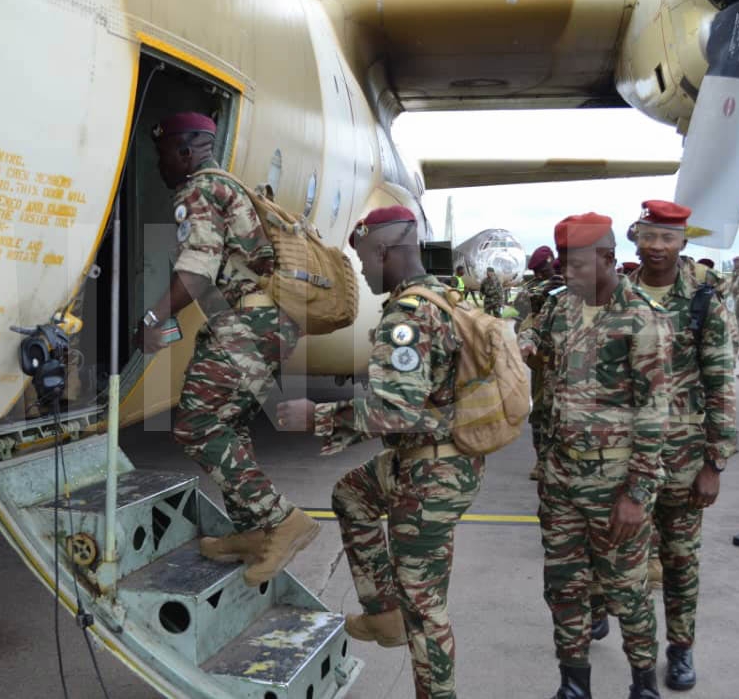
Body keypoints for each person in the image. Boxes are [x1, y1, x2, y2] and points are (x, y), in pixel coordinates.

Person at [277, 206, 484, 699]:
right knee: (352, 495)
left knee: (425, 610)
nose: (363, 271)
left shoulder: (407, 316)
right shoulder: (441, 296)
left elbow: (396, 411)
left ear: (385, 251)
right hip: (436, 459)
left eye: (365, 259)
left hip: (432, 473)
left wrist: (316, 417)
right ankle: (383, 613)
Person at [133, 111, 318, 586]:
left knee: (196, 424)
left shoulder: (199, 189)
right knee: (227, 423)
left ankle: (281, 520)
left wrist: (153, 318)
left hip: (248, 322)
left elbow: (196, 272)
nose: (160, 165)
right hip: (267, 322)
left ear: (185, 151)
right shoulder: (231, 187)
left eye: (163, 154)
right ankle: (253, 532)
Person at [520, 212, 672, 699]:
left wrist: (637, 493)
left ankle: (643, 684)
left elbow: (654, 412)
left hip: (615, 484)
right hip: (560, 478)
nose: (567, 273)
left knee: (627, 591)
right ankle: (573, 684)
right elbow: (533, 335)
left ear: (608, 258)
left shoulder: (641, 317)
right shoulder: (560, 306)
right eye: (563, 263)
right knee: (564, 586)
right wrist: (521, 345)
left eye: (578, 265)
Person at [627, 200, 736, 691]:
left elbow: (721, 386)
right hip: (628, 458)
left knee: (680, 560)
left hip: (684, 460)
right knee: (625, 559)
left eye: (667, 238)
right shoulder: (620, 296)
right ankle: (638, 654)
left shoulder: (702, 301)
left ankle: (681, 648)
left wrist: (714, 463)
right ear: (636, 237)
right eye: (649, 235)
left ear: (683, 242)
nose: (657, 246)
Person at [514, 246, 565, 481]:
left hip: (572, 363)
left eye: (546, 270)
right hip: (543, 359)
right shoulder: (536, 289)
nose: (543, 275)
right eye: (539, 272)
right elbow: (520, 315)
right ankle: (541, 461)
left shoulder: (580, 287)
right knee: (541, 411)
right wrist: (545, 294)